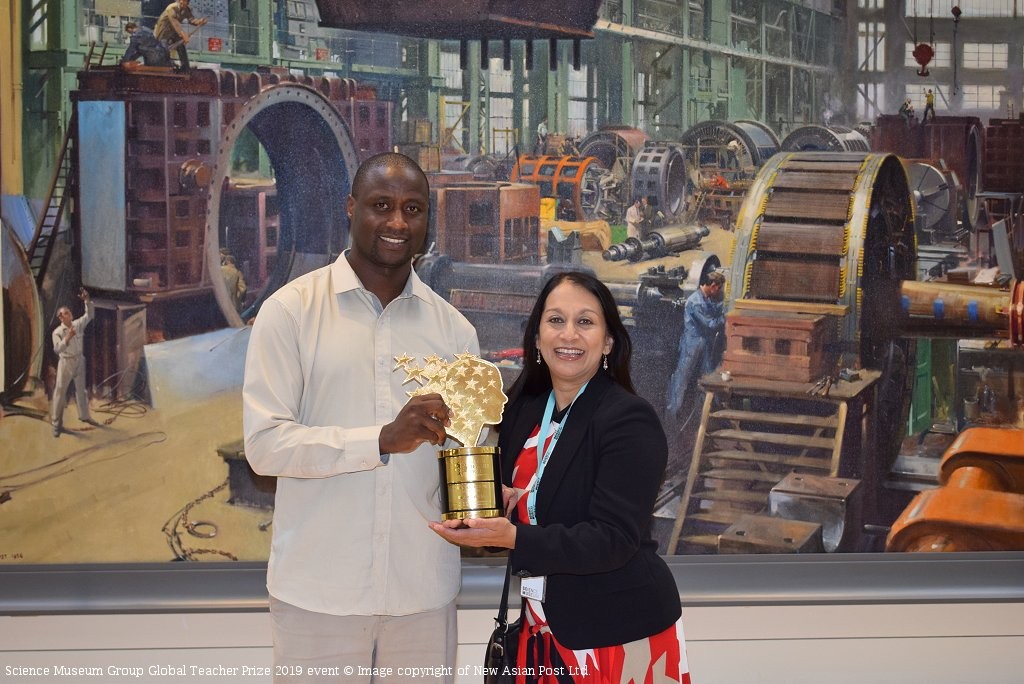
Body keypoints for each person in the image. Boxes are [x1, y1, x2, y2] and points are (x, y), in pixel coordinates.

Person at [243, 152, 479, 682]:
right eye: (381, 205)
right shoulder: (289, 314)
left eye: (413, 209)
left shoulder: (455, 332)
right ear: (351, 209)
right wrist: (380, 439)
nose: (397, 222)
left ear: (426, 220)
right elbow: (264, 446)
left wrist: (483, 504)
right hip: (317, 599)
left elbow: (464, 453)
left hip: (422, 595)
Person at [430, 271, 690, 683]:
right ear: (536, 337)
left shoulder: (628, 419)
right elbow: (539, 499)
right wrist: (499, 500)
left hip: (618, 633)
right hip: (541, 631)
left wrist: (513, 537)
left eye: (585, 322)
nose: (568, 334)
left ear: (607, 342)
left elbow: (614, 538)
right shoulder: (525, 408)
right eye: (555, 320)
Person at [665, 270, 726, 419]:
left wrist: (725, 306)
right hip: (691, 345)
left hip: (703, 344)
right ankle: (672, 412)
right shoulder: (696, 302)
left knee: (709, 374)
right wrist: (725, 317)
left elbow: (713, 308)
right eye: (718, 288)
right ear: (712, 286)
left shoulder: (705, 298)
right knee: (682, 377)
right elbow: (710, 324)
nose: (719, 292)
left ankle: (713, 407)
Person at [51, 288, 98, 437]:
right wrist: (68, 338)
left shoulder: (77, 324)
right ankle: (56, 424)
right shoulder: (57, 332)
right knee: (60, 391)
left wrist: (87, 300)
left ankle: (84, 415)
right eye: (65, 313)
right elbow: (57, 349)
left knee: (81, 389)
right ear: (60, 317)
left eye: (69, 312)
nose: (69, 314)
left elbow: (89, 315)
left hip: (79, 359)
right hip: (66, 362)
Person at [154, 0, 207, 73]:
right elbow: (175, 22)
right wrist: (183, 35)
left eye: (187, 1)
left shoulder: (187, 9)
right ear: (180, 1)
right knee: (164, 49)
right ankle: (165, 67)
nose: (185, 3)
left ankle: (185, 68)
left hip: (175, 31)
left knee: (181, 47)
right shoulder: (171, 8)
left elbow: (191, 20)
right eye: (184, 1)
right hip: (164, 31)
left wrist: (199, 22)